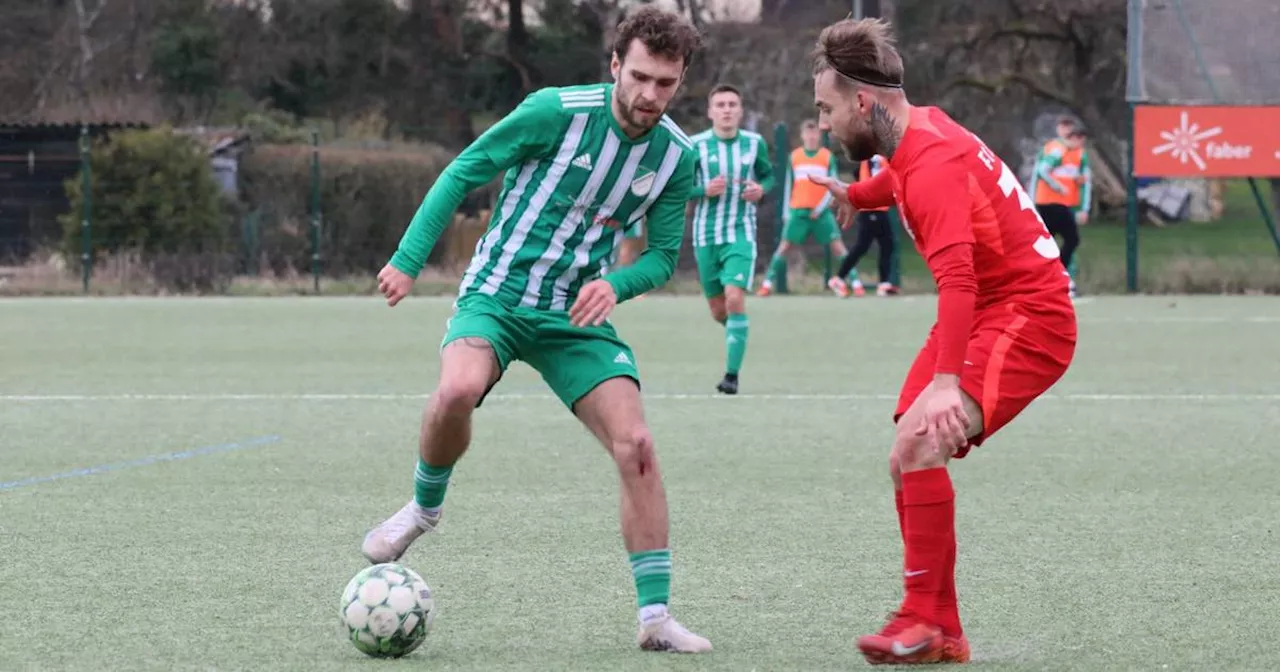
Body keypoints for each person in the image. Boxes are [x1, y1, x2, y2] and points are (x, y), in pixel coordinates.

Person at [362, 6, 711, 654]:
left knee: (636, 444)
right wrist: (407, 261)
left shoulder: (676, 158)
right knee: (455, 392)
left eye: (665, 83)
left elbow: (663, 255)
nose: (649, 95)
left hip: (574, 316)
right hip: (496, 296)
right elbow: (466, 169)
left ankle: (655, 617)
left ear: (680, 79)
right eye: (639, 77)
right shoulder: (556, 111)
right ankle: (423, 509)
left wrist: (617, 283)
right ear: (614, 66)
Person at [806, 18, 1078, 665]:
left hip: (1027, 315)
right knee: (906, 452)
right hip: (989, 304)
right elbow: (899, 178)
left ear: (863, 102)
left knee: (925, 436)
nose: (823, 124)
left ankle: (921, 618)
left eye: (827, 109)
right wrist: (856, 194)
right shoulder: (920, 129)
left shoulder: (929, 162)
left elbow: (956, 278)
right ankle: (940, 628)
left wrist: (948, 381)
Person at [688, 84, 775, 395]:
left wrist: (760, 189)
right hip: (705, 236)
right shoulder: (694, 145)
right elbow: (678, 188)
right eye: (720, 104)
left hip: (740, 232)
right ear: (711, 112)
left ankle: (731, 377)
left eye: (732, 104)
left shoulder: (754, 144)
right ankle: (739, 334)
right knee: (718, 310)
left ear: (740, 111)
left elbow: (769, 176)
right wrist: (702, 191)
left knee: (735, 298)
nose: (726, 109)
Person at [758, 119, 852, 297]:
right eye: (807, 133)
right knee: (784, 247)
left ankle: (855, 282)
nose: (811, 137)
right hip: (798, 211)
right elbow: (789, 185)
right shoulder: (794, 157)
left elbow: (834, 185)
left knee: (838, 246)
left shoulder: (827, 156)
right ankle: (767, 284)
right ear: (802, 136)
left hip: (821, 213)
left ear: (819, 135)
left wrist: (820, 207)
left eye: (814, 133)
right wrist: (787, 212)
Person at [1030, 118, 1091, 297]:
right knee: (1070, 239)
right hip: (1050, 203)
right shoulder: (1057, 150)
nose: (1080, 142)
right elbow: (1042, 170)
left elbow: (1083, 181)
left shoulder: (1079, 154)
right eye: (1077, 138)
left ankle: (1052, 279)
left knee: (1052, 242)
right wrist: (1057, 186)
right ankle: (1059, 278)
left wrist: (1083, 207)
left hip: (1062, 204)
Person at [830, 153, 899, 297]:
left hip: (879, 208)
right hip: (871, 208)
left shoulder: (881, 157)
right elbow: (869, 175)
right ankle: (839, 278)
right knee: (863, 246)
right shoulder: (874, 157)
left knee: (886, 245)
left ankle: (883, 283)